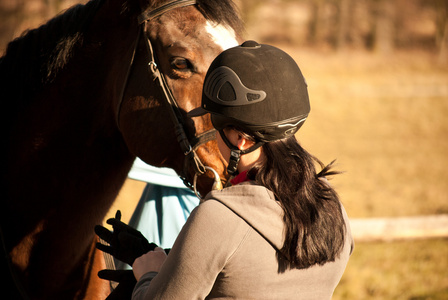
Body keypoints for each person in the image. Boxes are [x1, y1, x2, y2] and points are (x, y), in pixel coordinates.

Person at [120, 40, 353, 299]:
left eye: (215, 126)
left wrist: (149, 275)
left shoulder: (218, 216)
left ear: (240, 139)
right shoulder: (332, 207)